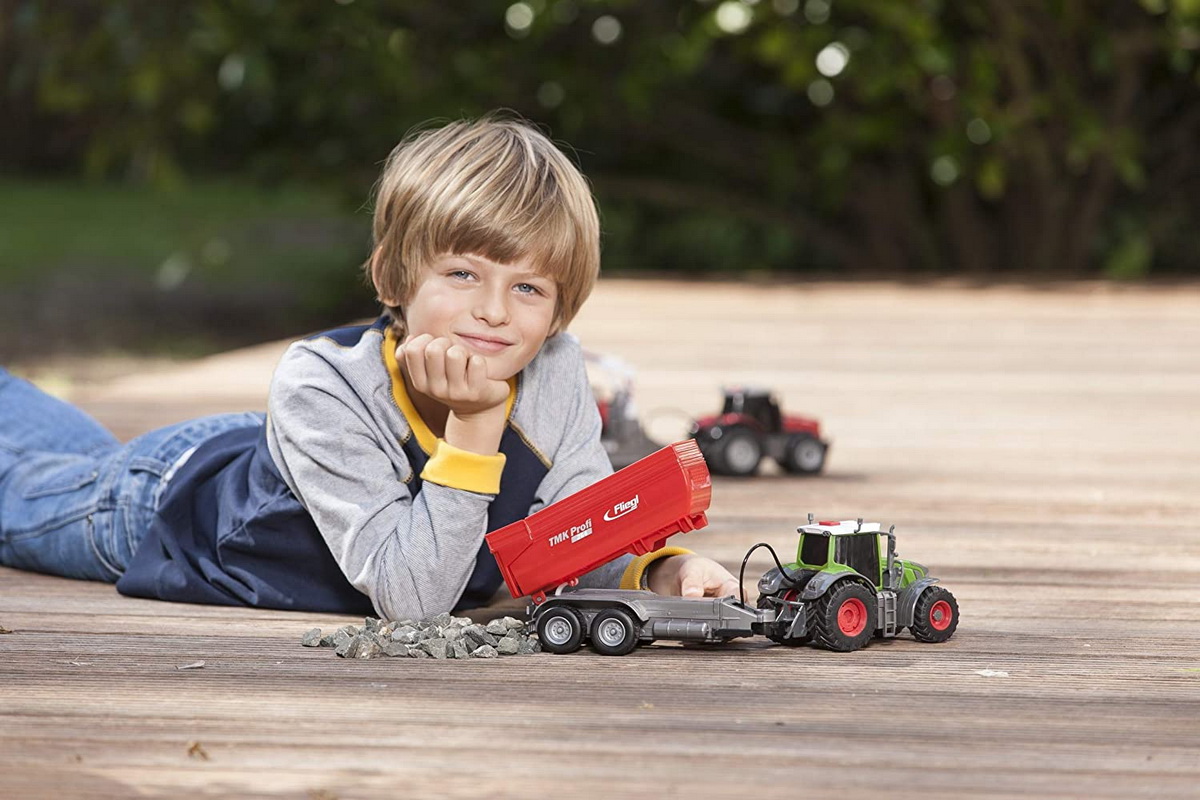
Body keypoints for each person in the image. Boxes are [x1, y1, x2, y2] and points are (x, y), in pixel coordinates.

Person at [0, 115, 740, 621]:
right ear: (392, 276)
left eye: (528, 288)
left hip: (294, 455)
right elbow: (412, 599)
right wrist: (475, 427)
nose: (493, 311)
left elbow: (574, 536)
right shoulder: (320, 381)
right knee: (19, 485)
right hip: (162, 506)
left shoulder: (553, 373)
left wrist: (658, 570)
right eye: (462, 273)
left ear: (558, 311)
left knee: (57, 442)